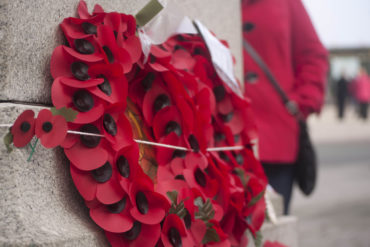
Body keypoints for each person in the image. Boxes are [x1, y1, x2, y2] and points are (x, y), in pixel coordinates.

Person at [241, 0, 328, 214]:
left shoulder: (286, 3)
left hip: (276, 137)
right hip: (221, 139)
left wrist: (302, 102)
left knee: (271, 229)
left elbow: (312, 54)